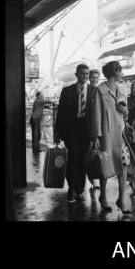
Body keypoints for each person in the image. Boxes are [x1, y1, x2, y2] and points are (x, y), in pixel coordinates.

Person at [90, 60, 135, 214]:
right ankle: (103, 197)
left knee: (123, 166)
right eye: (121, 70)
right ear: (114, 72)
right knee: (105, 166)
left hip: (121, 135)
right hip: (106, 135)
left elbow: (125, 113)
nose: (122, 73)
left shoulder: (121, 90)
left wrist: (126, 112)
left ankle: (121, 200)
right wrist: (96, 137)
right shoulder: (100, 91)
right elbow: (95, 114)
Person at [54, 63, 94, 203]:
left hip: (86, 130)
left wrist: (97, 135)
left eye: (87, 74)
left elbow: (97, 114)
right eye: (82, 73)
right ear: (77, 75)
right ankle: (71, 188)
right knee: (73, 157)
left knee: (83, 159)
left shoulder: (94, 90)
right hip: (71, 129)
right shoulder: (67, 91)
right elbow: (61, 113)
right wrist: (57, 132)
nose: (85, 76)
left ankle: (80, 188)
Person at [87, 69, 101, 190]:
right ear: (89, 78)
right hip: (86, 127)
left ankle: (95, 180)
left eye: (97, 78)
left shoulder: (99, 91)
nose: (94, 79)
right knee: (88, 155)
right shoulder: (85, 90)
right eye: (93, 77)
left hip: (96, 127)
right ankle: (92, 180)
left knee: (95, 154)